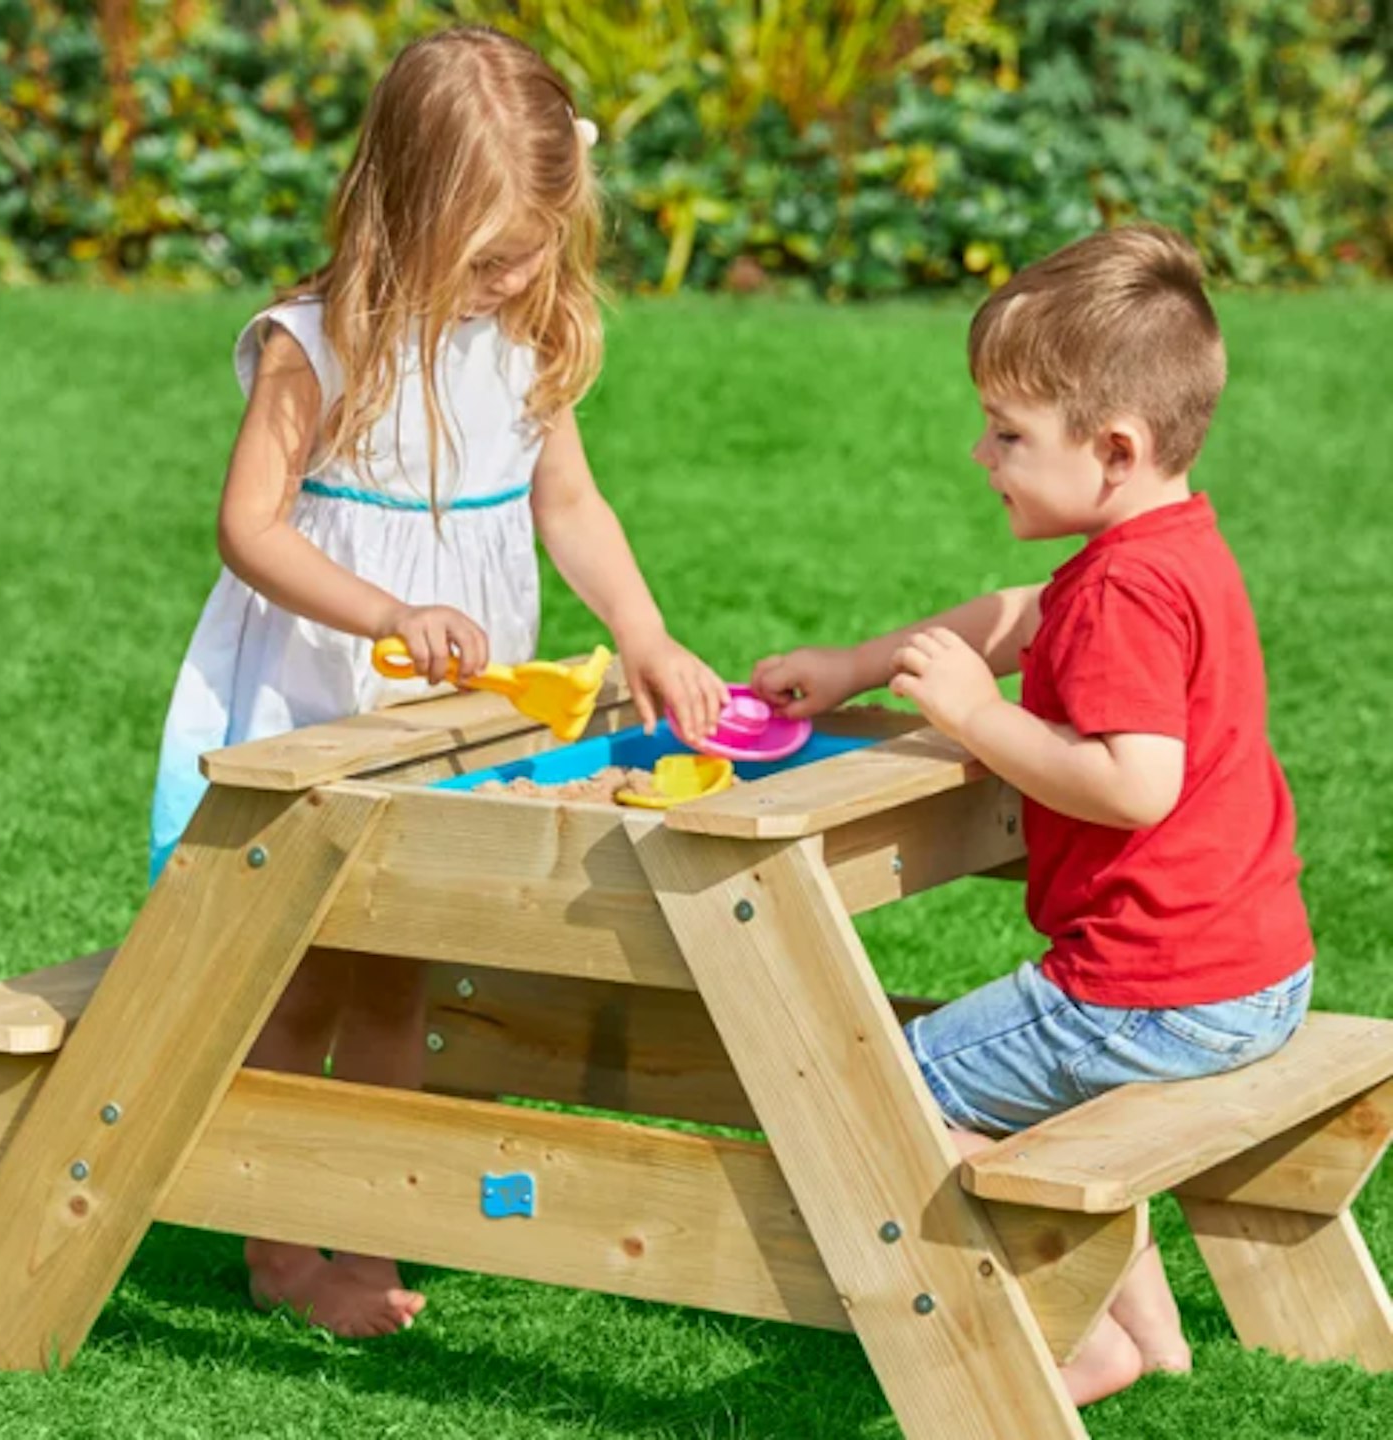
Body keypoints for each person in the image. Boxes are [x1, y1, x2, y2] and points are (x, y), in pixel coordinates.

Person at [150, 25, 727, 1338]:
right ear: (406, 210)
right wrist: (388, 607)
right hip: (327, 698)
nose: (519, 275)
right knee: (295, 975)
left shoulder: (521, 338)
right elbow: (251, 525)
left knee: (405, 972)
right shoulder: (318, 346)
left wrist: (643, 631)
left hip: (451, 714)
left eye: (535, 246)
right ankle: (283, 1244)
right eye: (490, 255)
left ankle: (382, 1225)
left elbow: (567, 502)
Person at [752, 224, 1314, 1405]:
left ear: (1115, 447)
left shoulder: (1125, 590)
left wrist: (972, 718)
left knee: (879, 1092)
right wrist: (862, 661)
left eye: (1009, 434)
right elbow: (1019, 616)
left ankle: (1080, 1333)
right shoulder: (1164, 544)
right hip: (1253, 972)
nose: (982, 452)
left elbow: (1131, 781)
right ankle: (1149, 1335)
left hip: (1149, 990)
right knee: (1013, 1106)